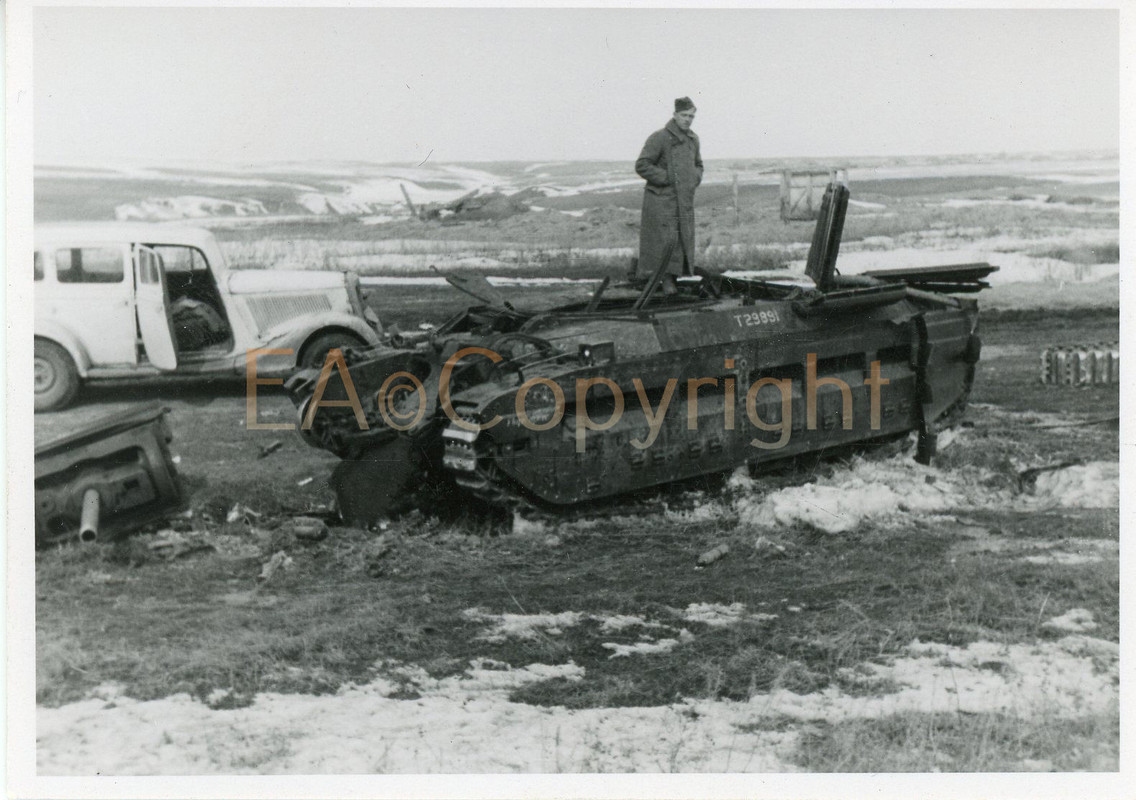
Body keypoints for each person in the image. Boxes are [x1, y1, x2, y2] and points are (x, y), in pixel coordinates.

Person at [635, 96, 703, 294]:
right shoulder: (660, 137)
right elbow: (642, 165)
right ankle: (665, 280)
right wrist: (668, 178)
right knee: (665, 241)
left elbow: (699, 165)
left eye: (691, 116)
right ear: (674, 115)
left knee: (682, 239)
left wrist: (694, 178)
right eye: (684, 115)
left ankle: (674, 277)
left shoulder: (693, 139)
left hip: (684, 200)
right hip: (662, 201)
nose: (688, 119)